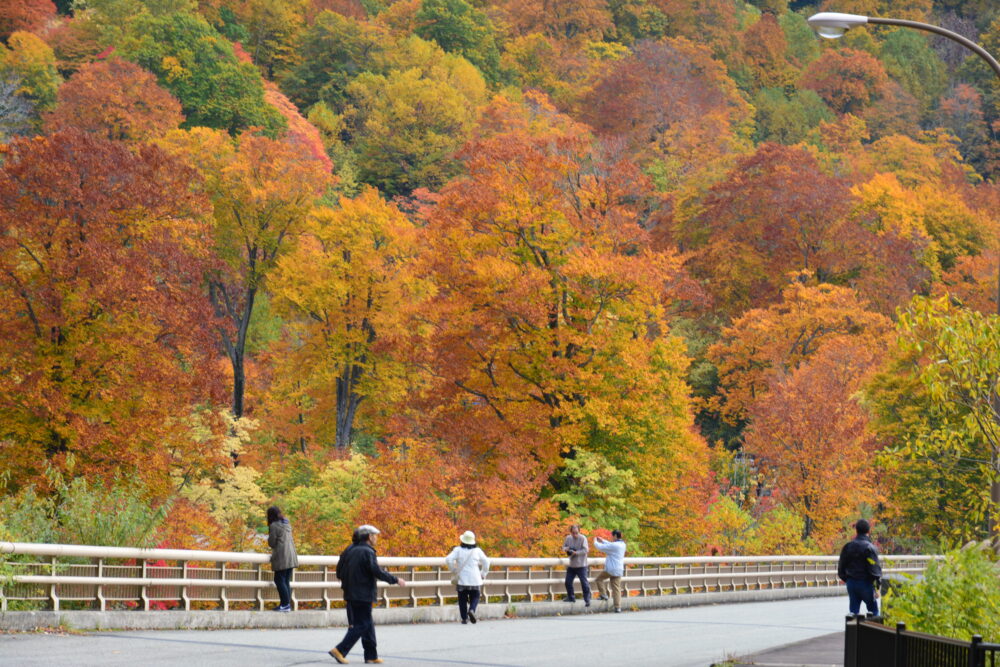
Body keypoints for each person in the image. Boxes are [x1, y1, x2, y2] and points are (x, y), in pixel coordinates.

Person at [329, 525, 407, 665]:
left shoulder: (349, 550)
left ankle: (371, 655)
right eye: (375, 535)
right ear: (369, 537)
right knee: (362, 623)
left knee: (367, 624)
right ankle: (340, 650)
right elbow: (376, 571)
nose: (376, 538)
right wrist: (395, 579)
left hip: (350, 592)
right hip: (363, 593)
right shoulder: (367, 552)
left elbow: (339, 572)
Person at [837, 519, 882, 619]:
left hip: (852, 582)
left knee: (853, 612)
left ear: (856, 530)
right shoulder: (870, 548)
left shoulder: (848, 547)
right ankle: (873, 633)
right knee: (873, 611)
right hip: (866, 583)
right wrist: (877, 588)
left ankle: (853, 632)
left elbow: (841, 568)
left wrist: (847, 579)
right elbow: (875, 570)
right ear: (868, 531)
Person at [445, 530, 490, 624]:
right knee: (476, 596)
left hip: (462, 579)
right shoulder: (477, 551)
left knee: (462, 599)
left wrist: (453, 570)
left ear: (462, 540)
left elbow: (449, 559)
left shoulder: (458, 550)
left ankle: (464, 618)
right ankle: (472, 610)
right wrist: (483, 573)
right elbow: (486, 562)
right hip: (475, 579)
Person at [266, 506, 298, 612]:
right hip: (291, 555)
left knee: (279, 580)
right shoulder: (287, 523)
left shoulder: (274, 525)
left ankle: (285, 605)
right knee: (286, 580)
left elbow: (272, 543)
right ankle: (286, 604)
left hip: (282, 556)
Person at [593, 530, 626, 613]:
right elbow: (610, 545)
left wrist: (595, 542)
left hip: (611, 569)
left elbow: (600, 547)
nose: (611, 537)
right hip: (619, 569)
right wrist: (603, 540)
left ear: (615, 536)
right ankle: (618, 607)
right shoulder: (623, 544)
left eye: (612, 536)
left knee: (599, 579)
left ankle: (604, 595)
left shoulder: (615, 545)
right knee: (616, 589)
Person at [562, 524, 591, 607]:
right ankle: (571, 597)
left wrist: (576, 553)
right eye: (573, 533)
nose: (575, 535)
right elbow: (563, 547)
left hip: (582, 565)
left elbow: (586, 550)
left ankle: (587, 599)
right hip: (572, 564)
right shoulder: (568, 538)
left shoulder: (583, 538)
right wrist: (566, 549)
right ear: (571, 532)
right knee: (568, 582)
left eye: (576, 533)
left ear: (579, 531)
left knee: (584, 583)